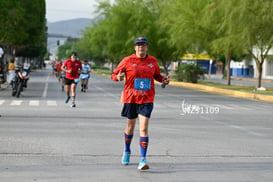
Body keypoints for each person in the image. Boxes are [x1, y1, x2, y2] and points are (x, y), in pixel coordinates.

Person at [111, 37, 170, 170]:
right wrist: (118, 77)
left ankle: (142, 160)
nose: (141, 47)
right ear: (135, 48)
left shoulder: (152, 61)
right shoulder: (127, 60)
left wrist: (164, 80)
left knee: (143, 128)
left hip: (147, 98)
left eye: (143, 45)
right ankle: (127, 151)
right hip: (131, 98)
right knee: (130, 128)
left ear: (147, 47)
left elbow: (157, 76)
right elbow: (114, 75)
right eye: (138, 45)